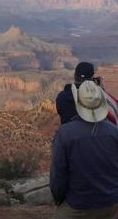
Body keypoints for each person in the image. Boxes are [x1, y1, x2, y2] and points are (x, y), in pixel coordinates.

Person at [50, 80, 118, 219]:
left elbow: (58, 175)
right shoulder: (114, 132)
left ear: (78, 103)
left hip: (78, 206)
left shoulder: (65, 133)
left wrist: (59, 199)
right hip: (110, 203)